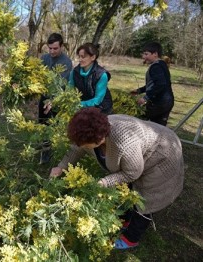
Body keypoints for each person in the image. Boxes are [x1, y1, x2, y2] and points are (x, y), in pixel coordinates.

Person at [50, 107, 184, 249]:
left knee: (147, 198)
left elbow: (132, 173)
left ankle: (131, 238)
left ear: (99, 139)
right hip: (139, 155)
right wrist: (62, 166)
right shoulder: (91, 134)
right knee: (130, 191)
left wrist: (105, 182)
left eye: (83, 143)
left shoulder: (124, 143)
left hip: (162, 153)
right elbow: (77, 148)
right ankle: (126, 218)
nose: (80, 145)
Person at [38, 33, 73, 164]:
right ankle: (43, 151)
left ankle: (49, 156)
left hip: (57, 101)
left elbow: (63, 87)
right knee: (42, 125)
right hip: (44, 98)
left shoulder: (66, 62)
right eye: (50, 48)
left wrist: (53, 101)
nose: (52, 51)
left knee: (52, 128)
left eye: (55, 48)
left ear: (61, 46)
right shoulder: (44, 58)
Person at [131, 42, 174, 126]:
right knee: (159, 127)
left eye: (146, 54)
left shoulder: (156, 67)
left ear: (155, 54)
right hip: (167, 102)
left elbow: (160, 85)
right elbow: (154, 84)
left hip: (160, 103)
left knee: (141, 120)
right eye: (143, 54)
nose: (144, 57)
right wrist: (139, 91)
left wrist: (145, 98)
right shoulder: (161, 64)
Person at [68, 43, 113, 115]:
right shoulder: (74, 72)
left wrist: (78, 104)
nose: (80, 59)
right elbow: (69, 91)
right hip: (81, 107)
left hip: (101, 109)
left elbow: (98, 100)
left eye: (83, 57)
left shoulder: (102, 75)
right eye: (79, 56)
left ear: (93, 57)